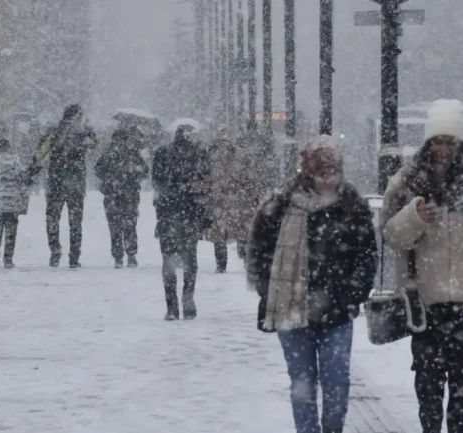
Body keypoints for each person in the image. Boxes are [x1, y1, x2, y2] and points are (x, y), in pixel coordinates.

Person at [247, 135, 377, 433]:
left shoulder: (351, 205)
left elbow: (367, 255)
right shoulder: (280, 205)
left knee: (336, 383)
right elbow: (259, 250)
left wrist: (352, 294)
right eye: (321, 173)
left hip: (337, 312)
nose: (328, 180)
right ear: (308, 173)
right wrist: (269, 289)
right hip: (291, 309)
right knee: (302, 384)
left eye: (333, 172)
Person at [380, 99, 463, 433]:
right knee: (428, 382)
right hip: (424, 300)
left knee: (460, 385)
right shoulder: (406, 181)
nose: (443, 149)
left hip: (461, 300)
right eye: (438, 141)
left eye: (450, 141)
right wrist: (414, 217)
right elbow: (390, 234)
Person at [152, 124, 212, 320]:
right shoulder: (163, 154)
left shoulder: (201, 155)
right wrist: (186, 187)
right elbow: (158, 183)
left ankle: (187, 300)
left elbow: (207, 183)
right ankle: (172, 306)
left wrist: (205, 208)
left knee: (189, 259)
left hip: (189, 214)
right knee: (170, 260)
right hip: (170, 213)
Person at [40, 104, 97, 268]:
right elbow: (94, 144)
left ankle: (55, 252)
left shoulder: (54, 130)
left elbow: (41, 152)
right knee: (75, 223)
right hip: (76, 184)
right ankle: (74, 257)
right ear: (78, 115)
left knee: (52, 219)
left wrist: (31, 172)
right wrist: (89, 132)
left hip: (55, 182)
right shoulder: (83, 132)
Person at [207, 130, 263, 272]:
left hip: (223, 202)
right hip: (240, 202)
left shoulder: (213, 159)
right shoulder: (245, 157)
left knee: (221, 235)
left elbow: (211, 181)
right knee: (242, 232)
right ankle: (244, 261)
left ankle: (221, 266)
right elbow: (253, 181)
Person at [95, 129, 149, 268]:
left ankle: (122, 256)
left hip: (122, 194)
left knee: (120, 226)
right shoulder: (126, 154)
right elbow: (144, 171)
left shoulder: (116, 154)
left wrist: (127, 177)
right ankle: (126, 255)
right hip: (121, 194)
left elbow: (144, 171)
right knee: (125, 226)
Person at [0, 138, 32, 268]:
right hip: (13, 204)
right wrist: (23, 201)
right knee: (11, 232)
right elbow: (24, 180)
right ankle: (8, 259)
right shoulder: (17, 162)